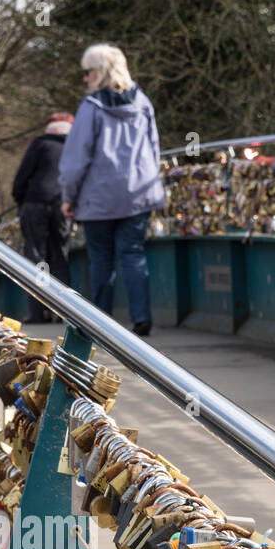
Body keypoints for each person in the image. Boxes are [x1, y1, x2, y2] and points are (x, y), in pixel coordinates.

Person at [58, 44, 164, 336]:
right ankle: (141, 318)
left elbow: (76, 158)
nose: (84, 79)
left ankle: (101, 323)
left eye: (87, 72)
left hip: (99, 198)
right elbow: (153, 148)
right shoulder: (142, 102)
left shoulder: (91, 107)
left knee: (101, 258)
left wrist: (68, 197)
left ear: (100, 72)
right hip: (138, 195)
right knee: (133, 254)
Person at [12, 113, 73, 323]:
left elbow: (23, 174)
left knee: (36, 256)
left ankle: (39, 311)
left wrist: (19, 197)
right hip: (62, 203)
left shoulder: (41, 143)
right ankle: (62, 311)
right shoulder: (74, 146)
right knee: (60, 255)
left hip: (35, 202)